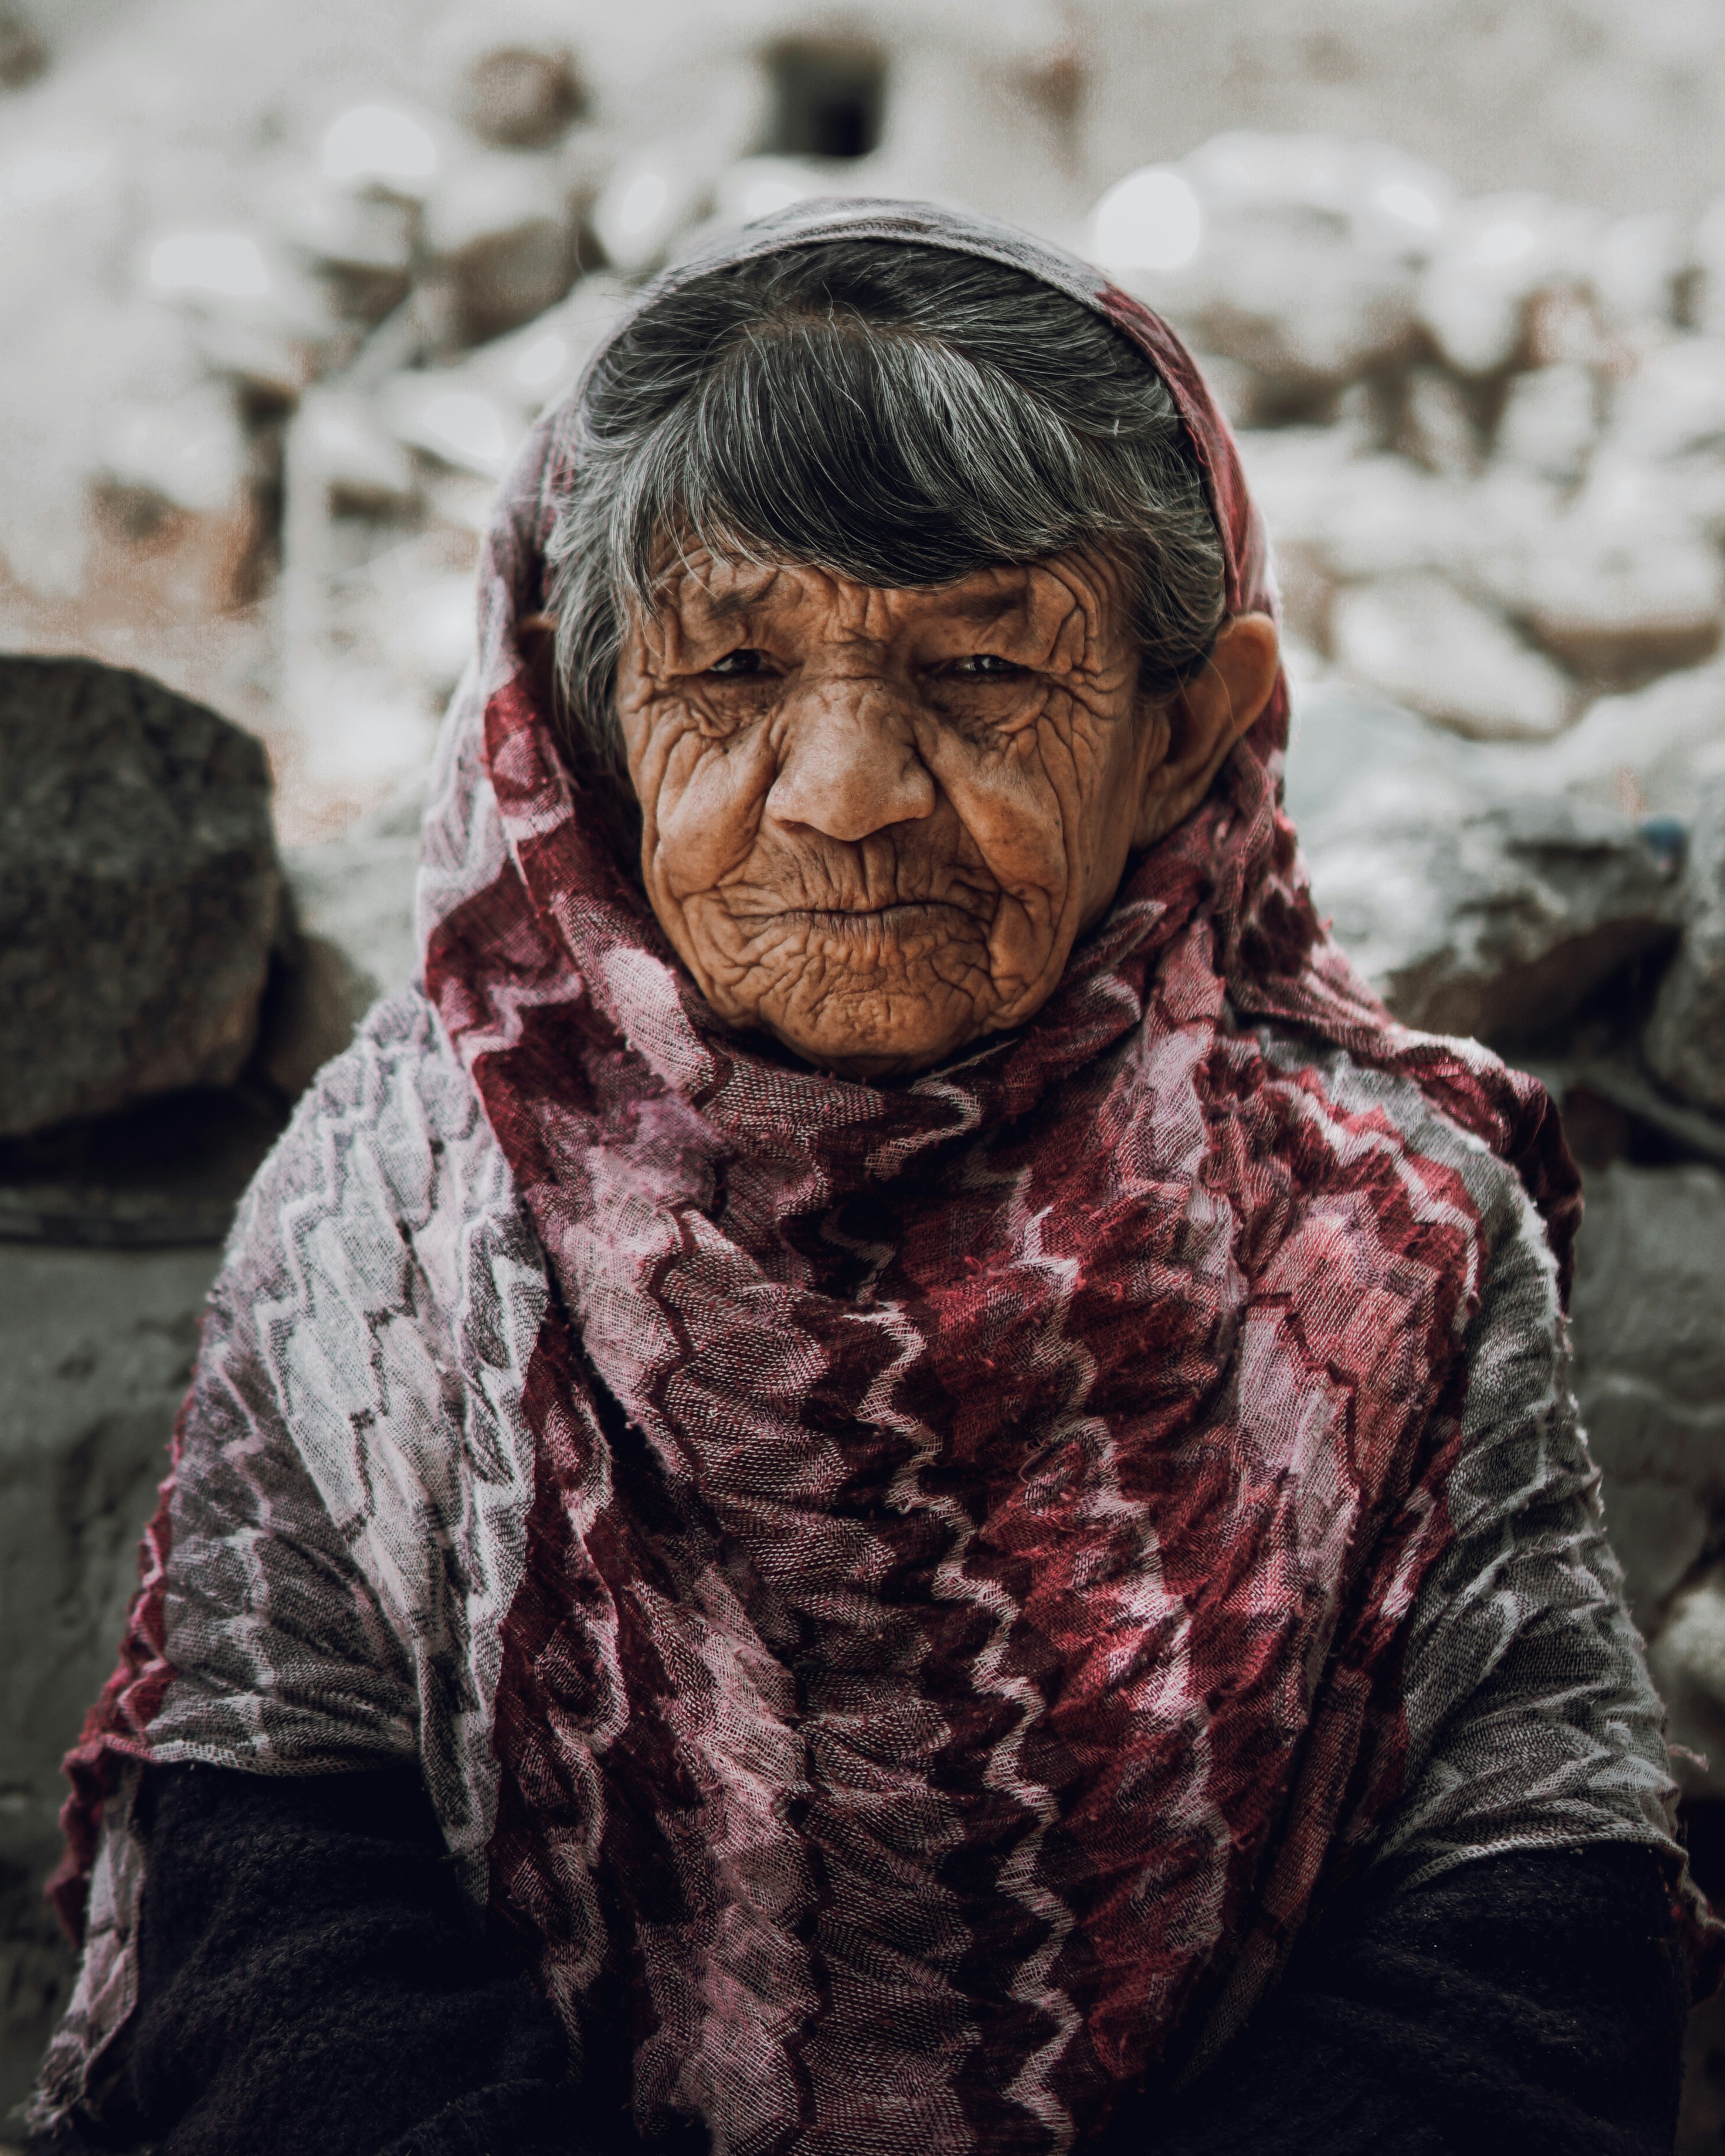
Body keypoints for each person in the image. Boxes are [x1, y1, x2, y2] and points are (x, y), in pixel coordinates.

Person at [27, 201, 1714, 2156]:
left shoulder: (1388, 1236)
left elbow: (1528, 1934)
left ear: (1194, 730)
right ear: (575, 719)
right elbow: (280, 1907)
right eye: (731, 667)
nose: (844, 789)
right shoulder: (399, 1214)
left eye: (983, 669)